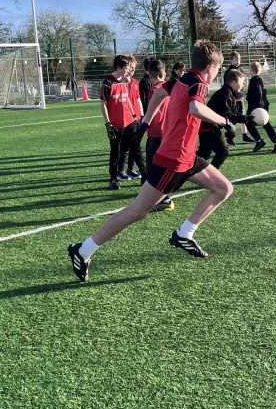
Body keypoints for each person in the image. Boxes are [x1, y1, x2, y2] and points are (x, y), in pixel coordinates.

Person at [67, 40, 236, 281]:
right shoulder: (198, 83)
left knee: (223, 188)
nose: (218, 73)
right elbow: (196, 108)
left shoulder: (182, 79)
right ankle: (83, 250)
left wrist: (145, 122)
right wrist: (224, 121)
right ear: (211, 67)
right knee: (137, 211)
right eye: (218, 68)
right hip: (173, 160)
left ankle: (185, 234)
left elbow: (158, 93)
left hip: (187, 157)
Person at [137, 58, 176, 213]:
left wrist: (143, 127)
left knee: (153, 168)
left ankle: (164, 199)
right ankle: (159, 198)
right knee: (159, 168)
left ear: (149, 74)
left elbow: (154, 114)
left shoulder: (156, 90)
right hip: (167, 133)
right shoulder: (169, 88)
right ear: (164, 72)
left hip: (156, 134)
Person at [99, 54, 142, 190]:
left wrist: (134, 115)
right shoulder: (108, 83)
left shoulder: (125, 80)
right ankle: (113, 179)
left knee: (135, 148)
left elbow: (127, 99)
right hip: (115, 124)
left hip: (129, 120)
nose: (128, 70)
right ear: (118, 67)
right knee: (115, 152)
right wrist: (108, 124)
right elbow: (103, 104)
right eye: (126, 68)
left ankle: (145, 175)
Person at [198, 68, 247, 168]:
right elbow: (227, 115)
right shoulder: (225, 95)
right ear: (234, 83)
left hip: (207, 126)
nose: (243, 85)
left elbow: (230, 114)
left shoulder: (228, 93)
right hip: (209, 127)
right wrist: (243, 119)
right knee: (222, 152)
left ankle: (190, 171)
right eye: (242, 82)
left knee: (204, 153)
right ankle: (209, 174)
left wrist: (246, 118)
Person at [245, 61, 276, 153]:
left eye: (249, 70)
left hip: (256, 107)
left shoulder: (254, 80)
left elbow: (258, 93)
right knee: (266, 124)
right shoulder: (259, 79)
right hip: (263, 106)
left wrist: (248, 97)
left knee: (247, 121)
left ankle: (260, 141)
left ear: (252, 70)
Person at [223, 51, 250, 144]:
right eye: (236, 59)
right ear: (231, 60)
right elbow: (227, 86)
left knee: (242, 115)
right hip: (232, 98)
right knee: (231, 117)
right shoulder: (228, 72)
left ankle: (245, 136)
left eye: (239, 59)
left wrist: (242, 94)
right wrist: (232, 97)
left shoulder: (240, 70)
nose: (238, 61)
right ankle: (229, 138)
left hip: (239, 97)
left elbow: (242, 84)